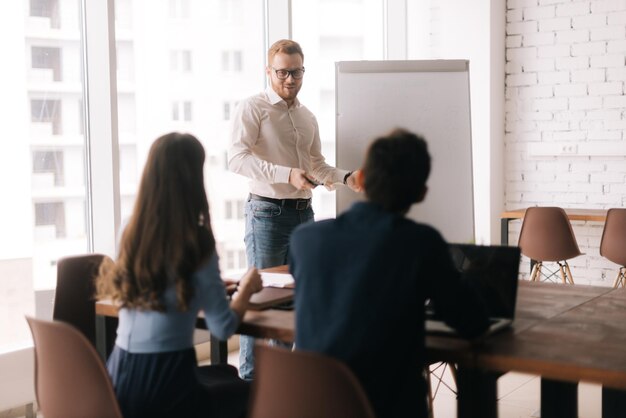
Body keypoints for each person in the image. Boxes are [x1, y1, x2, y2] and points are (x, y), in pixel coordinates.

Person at [289, 129, 490, 418]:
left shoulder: (305, 239)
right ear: (422, 193)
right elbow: (473, 323)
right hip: (388, 408)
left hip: (312, 406)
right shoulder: (421, 243)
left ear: (360, 179)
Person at [96, 132, 263, 418]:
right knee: (252, 391)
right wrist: (247, 287)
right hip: (168, 386)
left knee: (224, 372)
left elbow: (158, 279)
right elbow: (222, 328)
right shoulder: (196, 240)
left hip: (118, 380)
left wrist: (201, 285)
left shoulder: (129, 229)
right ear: (193, 180)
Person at [228, 39, 361, 380]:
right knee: (260, 303)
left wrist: (347, 177)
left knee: (295, 301)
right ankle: (250, 386)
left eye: (296, 72)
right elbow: (237, 158)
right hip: (266, 214)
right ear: (269, 71)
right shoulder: (252, 108)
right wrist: (287, 174)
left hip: (304, 214)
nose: (290, 79)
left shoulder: (307, 116)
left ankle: (282, 385)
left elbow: (316, 165)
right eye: (283, 72)